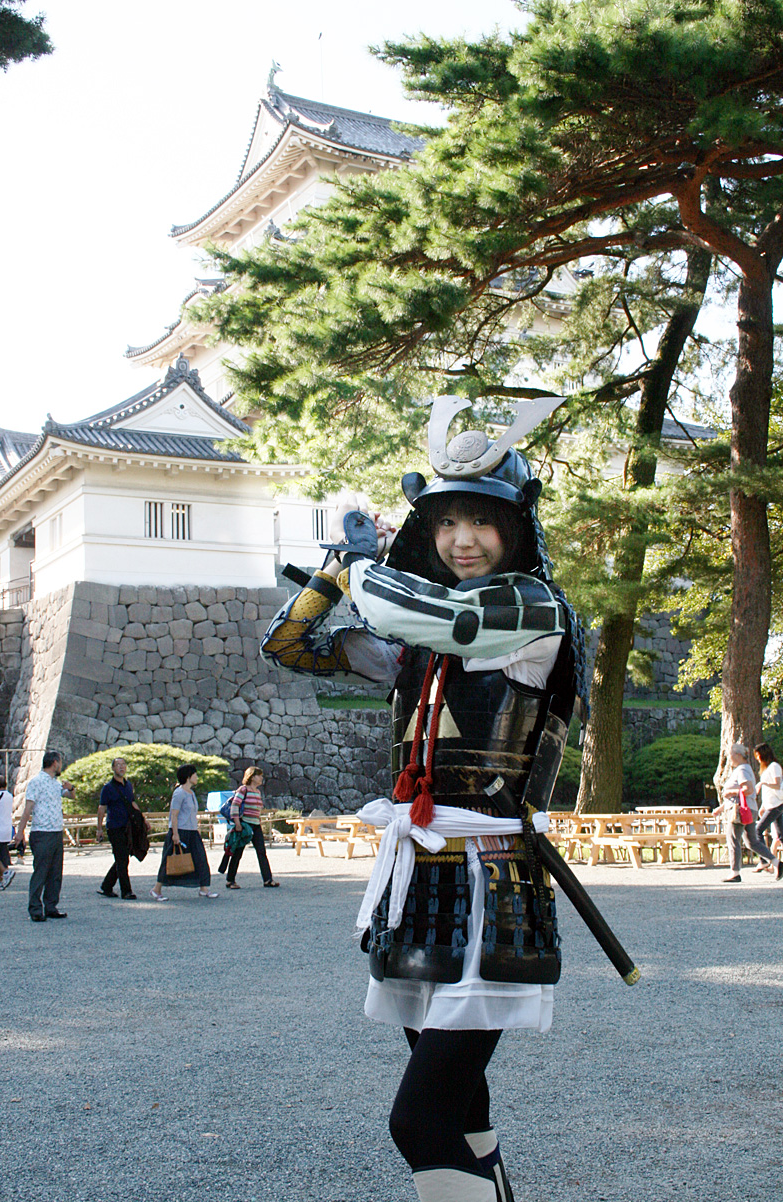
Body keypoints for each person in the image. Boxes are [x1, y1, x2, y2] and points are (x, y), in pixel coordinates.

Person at [261, 397, 588, 1202]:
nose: (461, 541)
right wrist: (336, 569)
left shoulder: (533, 611)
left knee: (418, 1119)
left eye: (481, 521)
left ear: (516, 530)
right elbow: (290, 646)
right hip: (420, 878)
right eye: (444, 524)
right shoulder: (411, 646)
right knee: (459, 1099)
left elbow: (435, 616)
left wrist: (363, 572)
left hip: (490, 876)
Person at [14, 751, 76, 921]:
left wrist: (70, 788)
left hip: (56, 831)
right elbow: (28, 808)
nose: (61, 766)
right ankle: (35, 908)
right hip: (41, 832)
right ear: (55, 763)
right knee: (41, 871)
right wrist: (20, 831)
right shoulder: (36, 782)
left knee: (56, 872)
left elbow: (71, 796)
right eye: (60, 763)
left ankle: (51, 906)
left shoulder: (56, 784)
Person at [713, 744, 783, 883]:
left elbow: (748, 789)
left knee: (733, 838)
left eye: (731, 755)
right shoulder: (747, 769)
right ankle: (776, 863)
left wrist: (728, 792)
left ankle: (735, 872)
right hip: (749, 808)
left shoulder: (742, 769)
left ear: (738, 755)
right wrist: (721, 808)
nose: (730, 758)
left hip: (740, 810)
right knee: (752, 841)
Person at [150, 764, 218, 901]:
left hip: (192, 832)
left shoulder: (191, 793)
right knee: (169, 861)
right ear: (188, 776)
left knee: (200, 859)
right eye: (195, 774)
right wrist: (175, 834)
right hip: (180, 831)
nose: (197, 777)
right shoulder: (179, 793)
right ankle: (156, 889)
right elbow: (173, 815)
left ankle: (204, 888)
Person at [217, 766, 280, 889]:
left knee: (262, 852)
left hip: (256, 825)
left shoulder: (257, 792)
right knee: (238, 852)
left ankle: (268, 879)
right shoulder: (243, 790)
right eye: (259, 775)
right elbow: (235, 805)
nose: (261, 778)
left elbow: (257, 810)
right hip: (245, 825)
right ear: (252, 776)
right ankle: (230, 880)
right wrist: (237, 823)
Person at [96, 756, 147, 899]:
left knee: (122, 858)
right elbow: (102, 808)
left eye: (123, 764)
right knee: (122, 858)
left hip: (128, 826)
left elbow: (132, 803)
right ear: (113, 768)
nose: (121, 767)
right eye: (118, 765)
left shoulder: (128, 785)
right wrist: (99, 828)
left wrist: (143, 819)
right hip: (115, 827)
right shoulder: (108, 788)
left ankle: (106, 886)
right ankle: (126, 891)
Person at [752, 742, 783, 869]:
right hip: (771, 804)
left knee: (757, 830)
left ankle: (765, 859)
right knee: (781, 835)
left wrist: (762, 783)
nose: (757, 759)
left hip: (777, 804)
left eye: (758, 755)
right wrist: (763, 806)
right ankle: (770, 861)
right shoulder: (767, 769)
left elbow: (777, 784)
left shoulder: (774, 766)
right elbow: (768, 791)